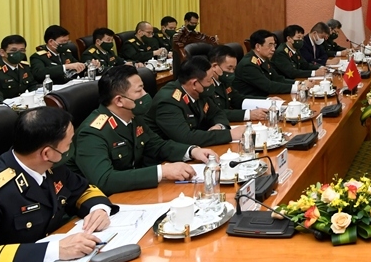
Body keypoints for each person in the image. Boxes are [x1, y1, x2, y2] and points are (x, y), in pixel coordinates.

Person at [0, 107, 117, 262]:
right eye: (69, 143)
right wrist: (55, 250)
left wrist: (99, 209)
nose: (71, 148)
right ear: (47, 153)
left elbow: (84, 190)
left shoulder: (52, 168)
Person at [68, 65, 214, 195]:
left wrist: (192, 151)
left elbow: (157, 145)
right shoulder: (92, 133)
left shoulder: (133, 116)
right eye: (139, 91)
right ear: (119, 100)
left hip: (132, 192)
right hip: (102, 206)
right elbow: (104, 180)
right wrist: (162, 172)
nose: (145, 95)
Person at [147, 56, 243, 147]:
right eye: (209, 80)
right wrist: (229, 135)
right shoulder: (168, 102)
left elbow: (217, 112)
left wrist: (219, 126)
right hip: (169, 158)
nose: (212, 84)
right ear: (194, 83)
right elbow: (186, 137)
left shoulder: (199, 91)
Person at [234, 30, 311, 98]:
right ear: (258, 46)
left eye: (274, 45)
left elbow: (277, 78)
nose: (273, 49)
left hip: (269, 97)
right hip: (255, 102)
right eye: (270, 45)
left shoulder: (263, 58)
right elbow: (268, 86)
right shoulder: (248, 65)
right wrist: (297, 87)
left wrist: (300, 83)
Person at [207, 46, 268, 123]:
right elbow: (215, 113)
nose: (232, 72)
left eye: (234, 69)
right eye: (229, 68)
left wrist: (267, 101)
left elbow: (238, 99)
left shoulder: (223, 81)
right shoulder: (206, 86)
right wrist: (248, 114)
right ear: (214, 67)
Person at [0, 35, 38, 102]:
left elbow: (32, 85)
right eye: (13, 50)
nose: (18, 54)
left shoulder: (25, 66)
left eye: (22, 50)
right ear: (2, 52)